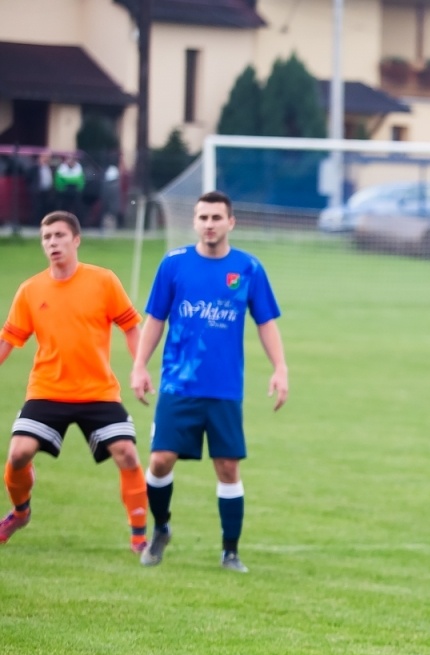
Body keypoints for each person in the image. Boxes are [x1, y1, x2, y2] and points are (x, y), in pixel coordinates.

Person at [131, 191, 288, 573]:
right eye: (203, 217)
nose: (209, 224)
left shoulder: (248, 268)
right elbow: (155, 319)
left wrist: (280, 367)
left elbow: (265, 322)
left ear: (231, 222)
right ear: (195, 222)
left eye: (217, 217)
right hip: (177, 384)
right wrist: (140, 366)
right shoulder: (174, 264)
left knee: (228, 467)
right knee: (160, 459)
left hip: (224, 388)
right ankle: (162, 528)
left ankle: (230, 551)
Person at [0, 211, 149, 554]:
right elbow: (8, 339)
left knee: (126, 453)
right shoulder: (31, 289)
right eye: (46, 238)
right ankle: (20, 513)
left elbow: (130, 327)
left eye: (59, 236)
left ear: (76, 240)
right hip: (47, 390)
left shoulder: (103, 281)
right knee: (19, 453)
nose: (52, 243)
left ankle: (140, 537)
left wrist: (139, 368)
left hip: (98, 391)